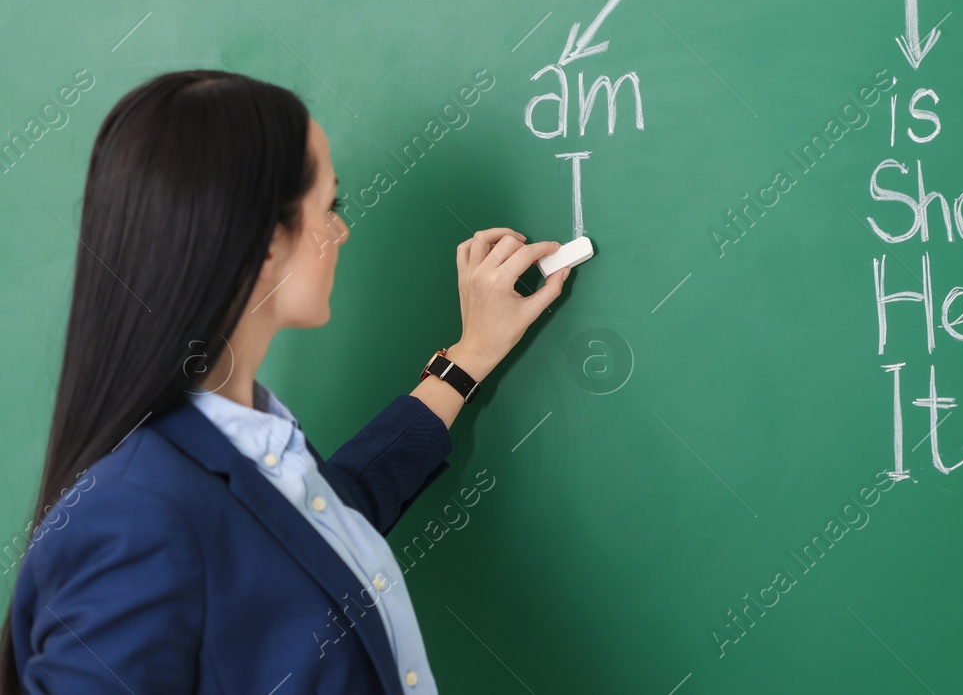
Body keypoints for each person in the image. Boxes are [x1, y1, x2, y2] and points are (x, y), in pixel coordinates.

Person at [3, 70, 571, 693]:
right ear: (263, 241)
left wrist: (469, 356)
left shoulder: (241, 451)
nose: (341, 230)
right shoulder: (131, 518)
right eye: (330, 206)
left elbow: (324, 517)